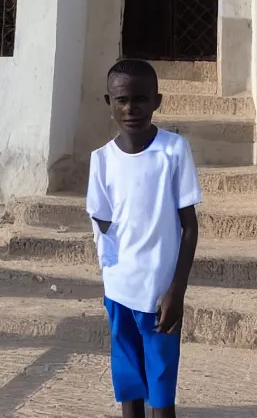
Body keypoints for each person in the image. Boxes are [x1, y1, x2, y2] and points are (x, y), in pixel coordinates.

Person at [86, 59, 202, 418]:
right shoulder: (102, 160)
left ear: (157, 101)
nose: (131, 108)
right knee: (129, 383)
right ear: (109, 102)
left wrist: (176, 290)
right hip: (119, 291)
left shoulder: (173, 151)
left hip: (159, 296)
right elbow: (102, 223)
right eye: (122, 100)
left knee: (162, 390)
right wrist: (111, 277)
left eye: (140, 99)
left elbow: (190, 226)